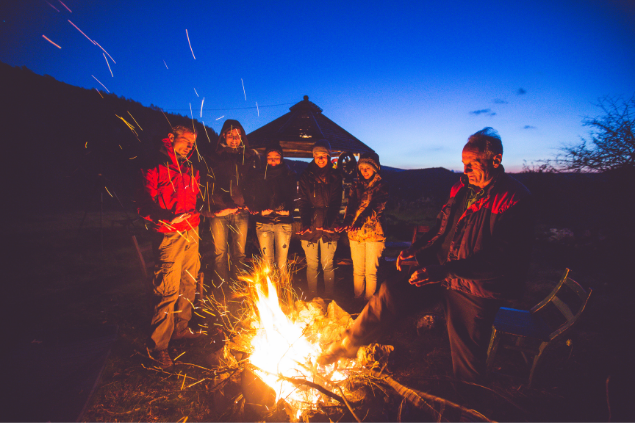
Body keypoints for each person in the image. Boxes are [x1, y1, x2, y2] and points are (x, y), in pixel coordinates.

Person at [319, 128, 533, 385]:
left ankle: (470, 405)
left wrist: (445, 271)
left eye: (472, 164)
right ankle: (348, 344)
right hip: (440, 271)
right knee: (390, 292)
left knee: (467, 355)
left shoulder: (514, 198)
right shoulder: (461, 189)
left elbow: (502, 259)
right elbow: (442, 229)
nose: (465, 171)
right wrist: (415, 250)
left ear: (495, 160)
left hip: (475, 288)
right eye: (464, 164)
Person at [136, 125, 203, 369]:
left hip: (191, 230)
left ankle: (181, 329)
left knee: (189, 282)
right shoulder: (154, 166)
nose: (189, 146)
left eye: (192, 143)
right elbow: (142, 202)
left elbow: (196, 199)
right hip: (168, 234)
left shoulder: (189, 168)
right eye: (186, 141)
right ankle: (158, 347)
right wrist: (164, 218)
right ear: (171, 138)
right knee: (167, 290)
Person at [205, 119, 258, 285]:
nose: (234, 139)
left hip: (241, 211)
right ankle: (221, 289)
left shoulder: (248, 158)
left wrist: (251, 202)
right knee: (220, 253)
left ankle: (237, 287)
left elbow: (253, 183)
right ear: (223, 136)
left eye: (237, 135)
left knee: (239, 253)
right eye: (230, 135)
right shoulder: (215, 158)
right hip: (220, 211)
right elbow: (209, 184)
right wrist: (217, 206)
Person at [297, 140, 343, 298]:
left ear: (329, 157)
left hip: (329, 227)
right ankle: (312, 297)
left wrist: (329, 224)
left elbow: (336, 202)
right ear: (313, 157)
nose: (321, 159)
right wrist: (305, 223)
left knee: (328, 265)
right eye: (318, 156)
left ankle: (329, 297)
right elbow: (303, 201)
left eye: (324, 156)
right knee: (311, 265)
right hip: (310, 228)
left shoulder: (336, 177)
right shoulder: (305, 176)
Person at [340, 152, 389, 302]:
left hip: (374, 234)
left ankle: (369, 302)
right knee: (358, 270)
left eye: (367, 168)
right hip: (355, 235)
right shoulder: (356, 186)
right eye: (361, 168)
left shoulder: (381, 187)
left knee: (371, 272)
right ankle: (357, 299)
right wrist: (348, 222)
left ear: (375, 169)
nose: (364, 171)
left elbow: (375, 208)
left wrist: (359, 222)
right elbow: (351, 206)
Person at [252, 141, 297, 272]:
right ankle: (269, 290)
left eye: (276, 157)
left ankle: (282, 290)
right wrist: (260, 211)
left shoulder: (289, 175)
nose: (273, 161)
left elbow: (293, 196)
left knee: (282, 263)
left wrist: (288, 211)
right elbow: (254, 195)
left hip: (283, 222)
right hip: (264, 222)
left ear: (281, 157)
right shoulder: (260, 176)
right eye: (270, 158)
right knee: (267, 263)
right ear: (265, 158)